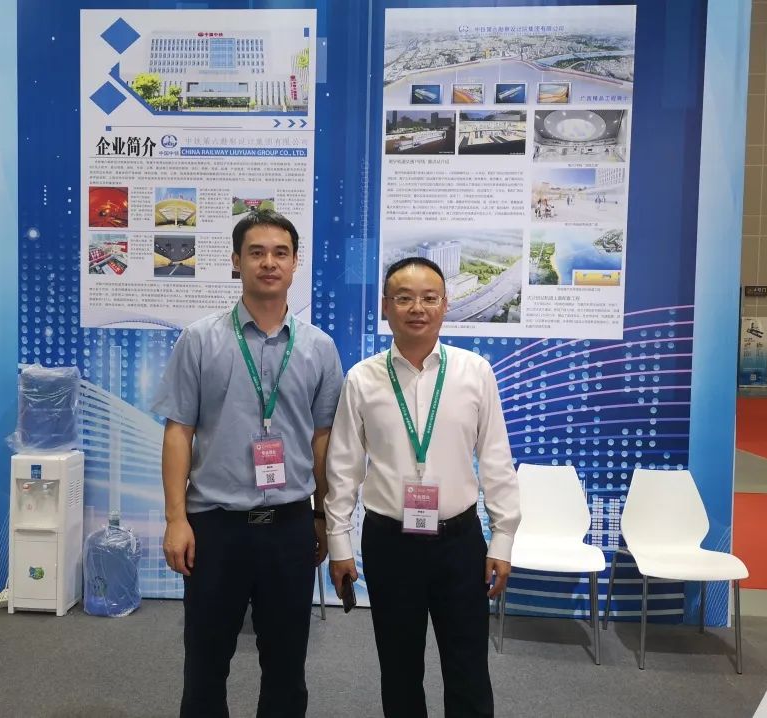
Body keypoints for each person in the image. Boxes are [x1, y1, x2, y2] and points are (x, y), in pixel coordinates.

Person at [153, 210, 344, 718]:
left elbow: (323, 440)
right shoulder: (200, 340)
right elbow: (178, 432)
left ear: (295, 263)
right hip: (216, 527)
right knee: (205, 662)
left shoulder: (320, 348)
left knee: (286, 666)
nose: (269, 262)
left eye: (281, 253)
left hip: (289, 526)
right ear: (236, 262)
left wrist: (322, 515)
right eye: (256, 252)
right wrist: (176, 519)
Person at [325, 256, 520, 718]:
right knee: (399, 668)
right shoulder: (362, 378)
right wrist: (338, 543)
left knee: (468, 668)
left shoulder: (475, 372)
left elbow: (496, 459)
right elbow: (344, 467)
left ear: (445, 305)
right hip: (389, 543)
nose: (418, 308)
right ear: (385, 306)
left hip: (459, 543)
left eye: (429, 298)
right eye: (405, 298)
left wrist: (503, 537)